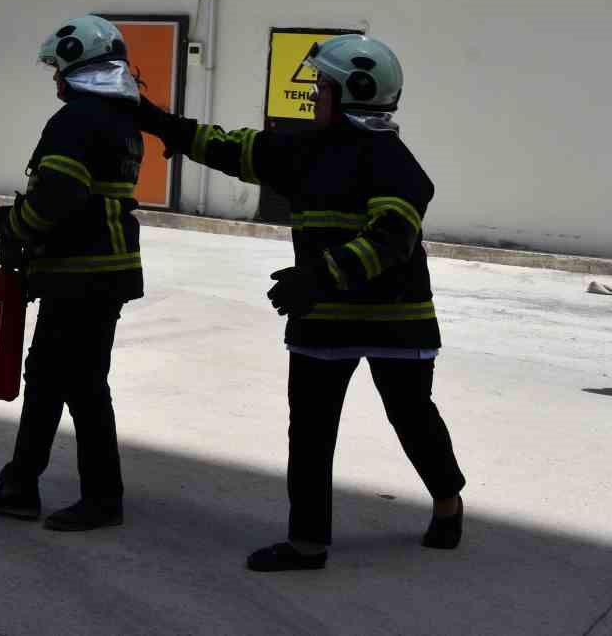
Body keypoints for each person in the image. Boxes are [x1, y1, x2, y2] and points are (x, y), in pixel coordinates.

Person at [135, 34, 465, 571]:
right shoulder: (304, 150)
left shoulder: (394, 162)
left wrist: (321, 277)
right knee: (310, 431)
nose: (312, 95)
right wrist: (155, 119)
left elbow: (391, 238)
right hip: (323, 320)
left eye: (321, 86)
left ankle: (448, 502)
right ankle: (308, 542)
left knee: (413, 419)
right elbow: (229, 147)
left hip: (394, 321)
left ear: (350, 93)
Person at [0, 15, 146, 532]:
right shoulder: (119, 119)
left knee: (83, 386)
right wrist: (20, 221)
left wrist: (15, 224)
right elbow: (81, 195)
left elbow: (58, 196)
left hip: (80, 274)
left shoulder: (76, 120)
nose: (54, 80)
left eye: (58, 69)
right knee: (46, 379)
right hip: (98, 272)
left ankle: (103, 499)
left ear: (78, 67)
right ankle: (20, 482)